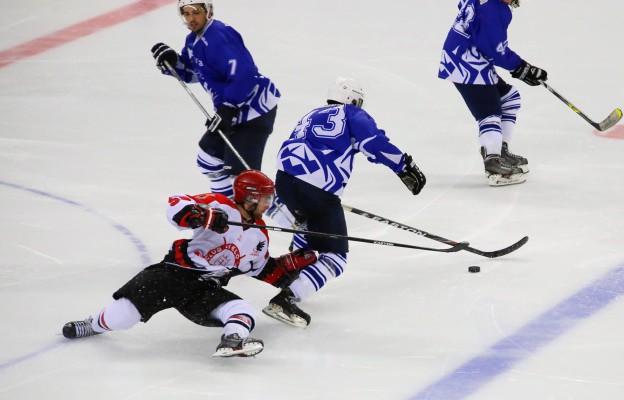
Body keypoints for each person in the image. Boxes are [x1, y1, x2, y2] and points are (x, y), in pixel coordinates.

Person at [61, 170, 317, 358]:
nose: (268, 204)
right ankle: (91, 325)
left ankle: (232, 340)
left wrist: (288, 266)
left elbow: (259, 268)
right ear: (249, 199)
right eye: (264, 199)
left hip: (204, 289)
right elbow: (175, 203)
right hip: (172, 274)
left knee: (243, 310)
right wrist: (202, 215)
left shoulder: (259, 234)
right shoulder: (220, 205)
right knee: (124, 317)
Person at [261, 77, 427, 328]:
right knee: (335, 257)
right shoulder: (351, 113)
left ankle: (293, 273)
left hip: (284, 182)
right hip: (317, 191)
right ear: (352, 99)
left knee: (307, 230)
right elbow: (374, 144)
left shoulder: (310, 115)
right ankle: (287, 298)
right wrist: (405, 166)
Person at [150, 0, 280, 197]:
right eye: (186, 13)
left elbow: (244, 73)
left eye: (196, 12)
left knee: (245, 182)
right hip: (233, 112)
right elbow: (195, 73)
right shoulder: (192, 41)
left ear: (208, 11)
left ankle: (289, 222)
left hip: (254, 110)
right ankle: (230, 211)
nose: (191, 19)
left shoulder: (219, 35)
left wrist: (228, 107)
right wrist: (173, 62)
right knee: (208, 159)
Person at [438, 0, 548, 186]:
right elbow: (495, 50)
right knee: (489, 112)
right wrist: (522, 68)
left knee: (509, 99)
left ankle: (499, 151)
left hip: (468, 59)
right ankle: (493, 162)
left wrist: (522, 69)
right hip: (467, 65)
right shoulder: (494, 11)